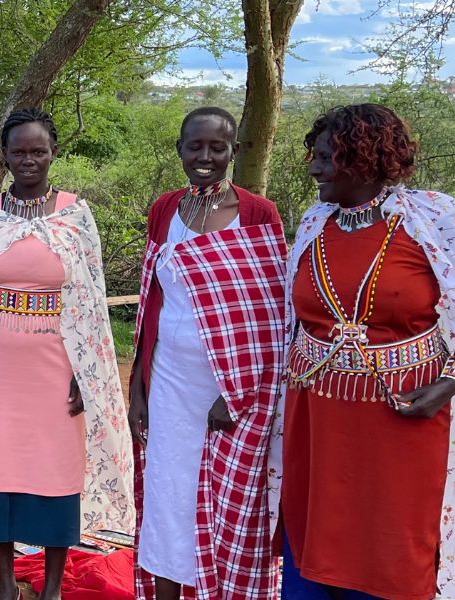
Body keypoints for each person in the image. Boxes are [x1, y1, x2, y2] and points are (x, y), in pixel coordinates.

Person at [277, 103, 455, 599]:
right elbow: (289, 321)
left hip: (402, 419)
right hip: (316, 419)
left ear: (364, 160)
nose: (314, 168)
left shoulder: (431, 220)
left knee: (394, 550)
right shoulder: (314, 223)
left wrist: (448, 383)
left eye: (326, 157)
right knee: (315, 541)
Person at [0, 109, 134, 600]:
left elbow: (91, 303)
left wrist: (85, 373)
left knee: (55, 471)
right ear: (4, 155)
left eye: (38, 150)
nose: (28, 160)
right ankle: (6, 584)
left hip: (57, 370)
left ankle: (53, 588)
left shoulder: (75, 215)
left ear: (53, 153)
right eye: (18, 151)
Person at [126, 107, 285, 600]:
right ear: (179, 148)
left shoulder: (258, 214)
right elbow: (151, 302)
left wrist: (234, 394)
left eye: (218, 147)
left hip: (234, 389)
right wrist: (138, 390)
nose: (205, 156)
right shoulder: (164, 209)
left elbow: (271, 316)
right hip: (169, 379)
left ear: (234, 151)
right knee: (168, 495)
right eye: (195, 146)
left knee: (231, 502)